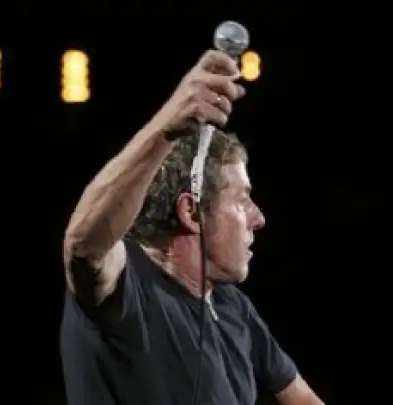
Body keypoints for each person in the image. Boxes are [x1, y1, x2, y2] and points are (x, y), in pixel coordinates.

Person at [60, 50, 324, 405]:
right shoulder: (127, 287)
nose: (259, 218)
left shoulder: (233, 305)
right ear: (191, 211)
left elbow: (302, 397)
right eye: (241, 200)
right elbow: (82, 246)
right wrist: (167, 127)